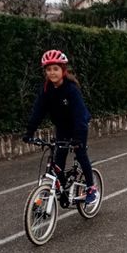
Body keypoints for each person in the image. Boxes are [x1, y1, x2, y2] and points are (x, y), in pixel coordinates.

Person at [23, 49, 99, 206]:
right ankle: (62, 187)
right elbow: (38, 111)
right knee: (58, 159)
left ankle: (91, 188)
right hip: (62, 127)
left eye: (56, 69)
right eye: (49, 70)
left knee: (80, 153)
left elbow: (79, 116)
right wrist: (29, 132)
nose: (52, 73)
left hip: (79, 126)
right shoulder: (46, 90)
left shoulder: (71, 89)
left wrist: (78, 138)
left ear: (63, 70)